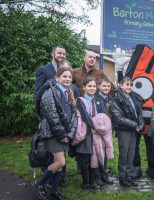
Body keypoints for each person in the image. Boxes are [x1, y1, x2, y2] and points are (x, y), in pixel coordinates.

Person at [34, 67, 77, 200]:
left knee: (59, 166)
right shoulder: (50, 92)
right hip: (53, 134)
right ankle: (39, 184)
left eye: (70, 77)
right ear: (57, 77)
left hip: (63, 134)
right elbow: (52, 117)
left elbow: (72, 114)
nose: (68, 79)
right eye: (64, 76)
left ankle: (54, 191)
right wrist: (62, 135)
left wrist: (68, 134)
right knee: (60, 162)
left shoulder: (68, 93)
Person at [109, 77, 144, 187]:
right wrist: (135, 125)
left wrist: (140, 124)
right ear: (120, 85)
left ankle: (129, 176)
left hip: (134, 130)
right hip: (124, 130)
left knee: (131, 154)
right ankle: (122, 178)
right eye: (126, 84)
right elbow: (118, 118)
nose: (129, 87)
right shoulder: (116, 98)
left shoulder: (132, 97)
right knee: (124, 155)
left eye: (130, 85)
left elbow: (139, 113)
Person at [75, 77, 107, 192]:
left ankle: (92, 181)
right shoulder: (80, 100)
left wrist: (101, 127)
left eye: (94, 86)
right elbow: (85, 117)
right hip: (85, 133)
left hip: (96, 134)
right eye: (89, 86)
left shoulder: (98, 100)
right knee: (84, 160)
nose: (92, 88)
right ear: (84, 87)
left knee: (94, 159)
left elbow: (103, 114)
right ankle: (85, 182)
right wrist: (96, 127)